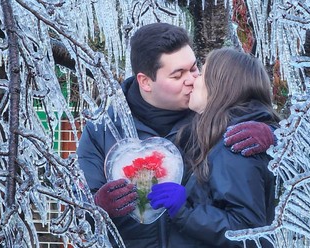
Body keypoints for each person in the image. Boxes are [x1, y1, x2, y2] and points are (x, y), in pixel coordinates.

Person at [76, 23, 275, 247]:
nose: (191, 79)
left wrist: (274, 138)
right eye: (178, 75)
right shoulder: (102, 129)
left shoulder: (212, 117)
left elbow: (252, 112)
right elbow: (76, 209)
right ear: (145, 82)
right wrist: (97, 206)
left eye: (193, 68)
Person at [147, 48, 280, 247]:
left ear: (220, 86)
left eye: (202, 73)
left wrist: (185, 211)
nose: (193, 80)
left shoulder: (237, 144)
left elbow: (247, 232)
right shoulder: (223, 136)